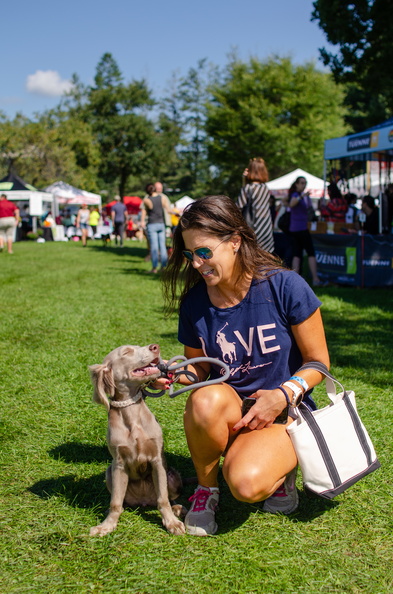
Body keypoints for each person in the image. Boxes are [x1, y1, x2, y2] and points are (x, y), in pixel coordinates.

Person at [161, 195, 330, 536]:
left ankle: (280, 472)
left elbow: (319, 363)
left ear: (235, 241)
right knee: (203, 399)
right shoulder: (195, 303)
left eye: (205, 252)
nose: (196, 263)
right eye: (189, 255)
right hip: (232, 409)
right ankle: (207, 489)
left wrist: (283, 395)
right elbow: (199, 369)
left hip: (285, 410)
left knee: (247, 485)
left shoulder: (285, 286)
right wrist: (175, 375)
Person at [287, 177, 323, 287]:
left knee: (297, 254)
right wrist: (302, 196)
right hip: (299, 229)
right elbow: (292, 204)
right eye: (302, 183)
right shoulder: (295, 195)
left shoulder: (304, 197)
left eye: (305, 183)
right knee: (307, 252)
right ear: (296, 184)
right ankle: (315, 278)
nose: (304, 185)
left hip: (300, 228)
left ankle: (296, 280)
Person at [237, 158, 274, 253]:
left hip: (252, 226)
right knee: (265, 254)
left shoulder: (248, 187)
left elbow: (238, 206)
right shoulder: (265, 188)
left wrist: (244, 180)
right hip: (265, 226)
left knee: (251, 253)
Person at [141, 183, 173, 273]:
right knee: (162, 246)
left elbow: (144, 212)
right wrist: (175, 213)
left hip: (152, 224)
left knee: (154, 247)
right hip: (161, 224)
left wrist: (142, 222)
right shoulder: (162, 198)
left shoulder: (147, 200)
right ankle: (163, 267)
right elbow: (168, 210)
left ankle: (154, 268)